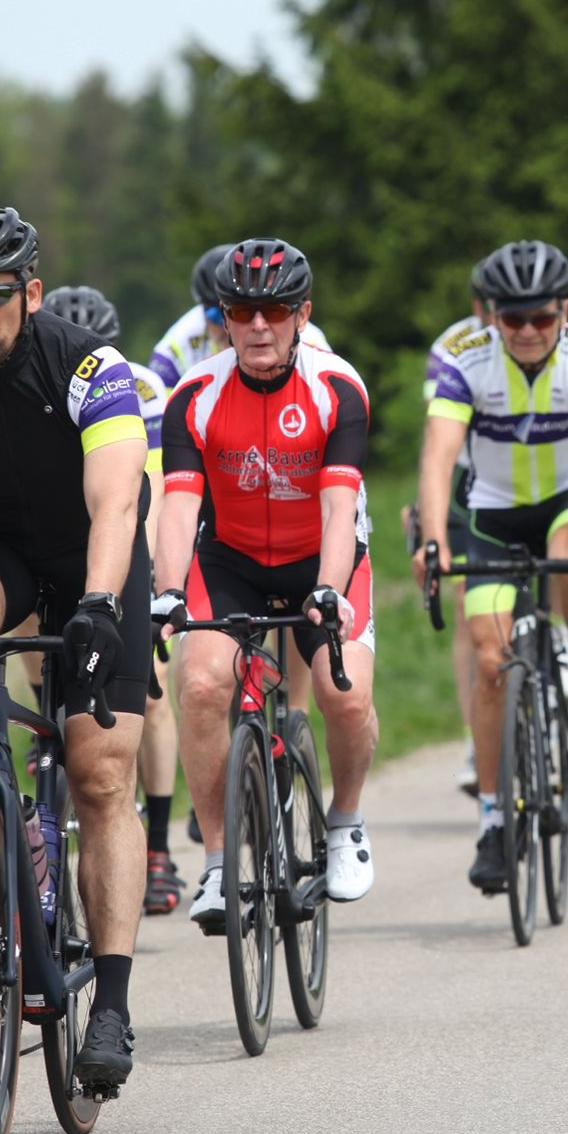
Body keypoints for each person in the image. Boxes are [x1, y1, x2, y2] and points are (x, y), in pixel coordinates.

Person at [0, 212, 152, 1095]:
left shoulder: (88, 366)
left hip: (93, 554)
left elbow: (116, 501)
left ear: (33, 294)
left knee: (101, 772)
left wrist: (98, 603)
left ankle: (113, 1006)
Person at [157, 239, 380, 927]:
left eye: (275, 311)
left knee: (345, 696)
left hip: (322, 559)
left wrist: (330, 590)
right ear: (223, 318)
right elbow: (179, 508)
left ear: (302, 315)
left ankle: (345, 821)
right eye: (243, 311)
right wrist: (167, 592)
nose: (259, 326)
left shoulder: (337, 388)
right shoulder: (194, 396)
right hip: (232, 562)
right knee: (202, 686)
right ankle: (219, 864)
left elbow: (340, 506)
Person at [414, 239, 568, 894]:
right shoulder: (464, 359)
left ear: (565, 311)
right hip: (493, 517)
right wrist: (433, 540)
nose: (528, 331)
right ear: (492, 316)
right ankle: (493, 819)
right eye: (513, 318)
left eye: (541, 317)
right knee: (489, 661)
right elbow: (438, 456)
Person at [41, 285, 189, 919]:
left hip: (127, 538)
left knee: (151, 693)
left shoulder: (140, 388)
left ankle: (158, 848)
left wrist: (148, 586)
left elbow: (144, 489)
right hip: (56, 546)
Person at [418, 294, 491, 796]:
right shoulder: (454, 346)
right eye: (494, 308)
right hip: (470, 477)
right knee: (468, 604)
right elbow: (438, 438)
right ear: (478, 304)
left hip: (538, 475)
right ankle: (473, 738)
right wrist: (428, 518)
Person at [148, 243, 331, 389]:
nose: (226, 325)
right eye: (217, 315)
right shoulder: (176, 344)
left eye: (244, 310)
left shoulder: (309, 338)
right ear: (201, 311)